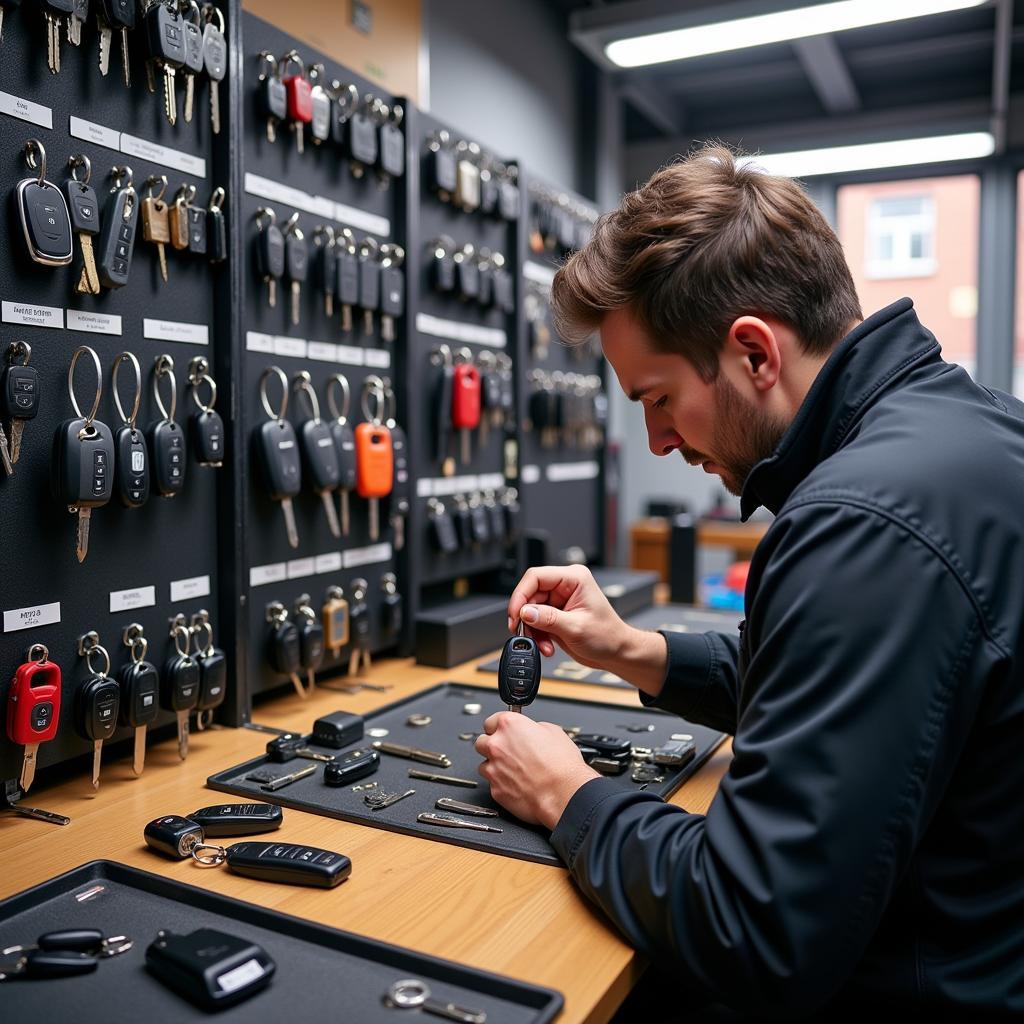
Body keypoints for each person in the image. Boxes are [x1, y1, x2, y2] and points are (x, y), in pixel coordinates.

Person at [474, 145, 1024, 1017]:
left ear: (754, 353)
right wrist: (633, 651)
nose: (656, 440)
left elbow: (754, 929)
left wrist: (567, 794)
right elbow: (837, 695)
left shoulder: (862, 524)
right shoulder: (959, 431)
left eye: (656, 397)